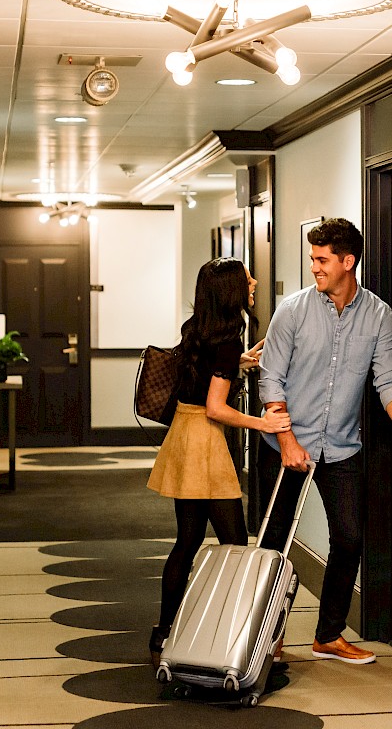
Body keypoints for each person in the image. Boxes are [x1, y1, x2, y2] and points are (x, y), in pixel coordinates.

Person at [258, 218, 392, 665]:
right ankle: (265, 638)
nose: (315, 267)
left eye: (322, 259)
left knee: (349, 539)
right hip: (286, 445)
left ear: (349, 262)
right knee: (275, 543)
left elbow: (388, 377)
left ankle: (328, 634)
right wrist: (288, 440)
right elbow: (271, 382)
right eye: (313, 259)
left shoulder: (378, 315)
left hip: (342, 446)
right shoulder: (292, 311)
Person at [146, 257, 292, 664]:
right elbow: (215, 407)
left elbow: (206, 378)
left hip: (182, 435)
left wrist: (242, 361)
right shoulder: (226, 341)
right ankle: (229, 637)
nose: (255, 281)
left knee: (187, 541)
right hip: (205, 443)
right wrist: (262, 424)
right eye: (247, 278)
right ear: (232, 290)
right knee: (235, 544)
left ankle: (163, 634)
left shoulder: (200, 329)